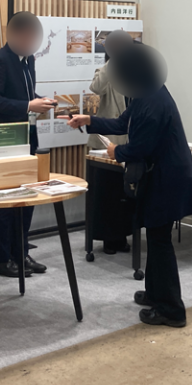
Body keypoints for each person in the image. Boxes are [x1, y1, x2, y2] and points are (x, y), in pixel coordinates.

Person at [63, 45, 192, 328]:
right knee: (156, 238)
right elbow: (123, 122)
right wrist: (90, 120)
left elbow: (140, 147)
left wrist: (117, 152)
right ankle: (155, 294)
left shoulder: (153, 101)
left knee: (160, 242)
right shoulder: (147, 92)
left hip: (167, 179)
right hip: (162, 176)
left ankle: (172, 309)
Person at [0, 11, 56, 277]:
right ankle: (1, 260)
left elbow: (25, 94)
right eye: (29, 37)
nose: (32, 42)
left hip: (27, 136)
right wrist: (28, 105)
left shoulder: (29, 59)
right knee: (4, 201)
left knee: (27, 197)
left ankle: (21, 253)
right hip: (3, 138)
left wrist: (41, 101)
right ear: (16, 35)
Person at [87, 30, 134, 255]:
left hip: (126, 143)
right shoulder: (105, 70)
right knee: (106, 194)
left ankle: (121, 236)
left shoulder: (132, 72)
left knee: (123, 193)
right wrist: (112, 60)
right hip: (106, 143)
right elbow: (95, 87)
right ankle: (108, 239)